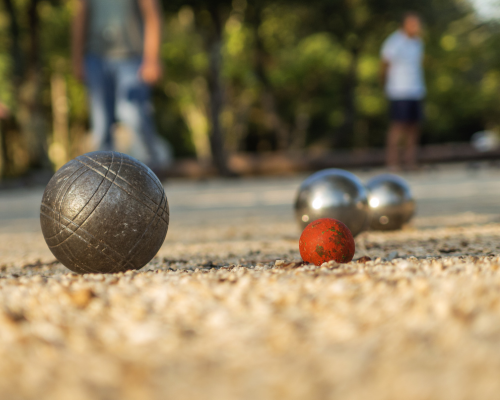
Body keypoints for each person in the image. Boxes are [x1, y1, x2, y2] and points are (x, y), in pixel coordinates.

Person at [72, 0, 171, 171]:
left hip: (131, 58)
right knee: (101, 125)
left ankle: (153, 171)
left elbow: (152, 15)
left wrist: (152, 59)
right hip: (95, 57)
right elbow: (80, 16)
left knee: (134, 116)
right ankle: (103, 178)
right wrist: (77, 59)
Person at [381, 12, 425, 171]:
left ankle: (410, 161)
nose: (416, 27)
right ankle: (392, 163)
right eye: (413, 24)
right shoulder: (394, 42)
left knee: (414, 127)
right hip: (399, 90)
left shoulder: (418, 42)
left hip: (416, 90)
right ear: (404, 24)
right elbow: (384, 64)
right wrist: (385, 84)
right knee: (398, 127)